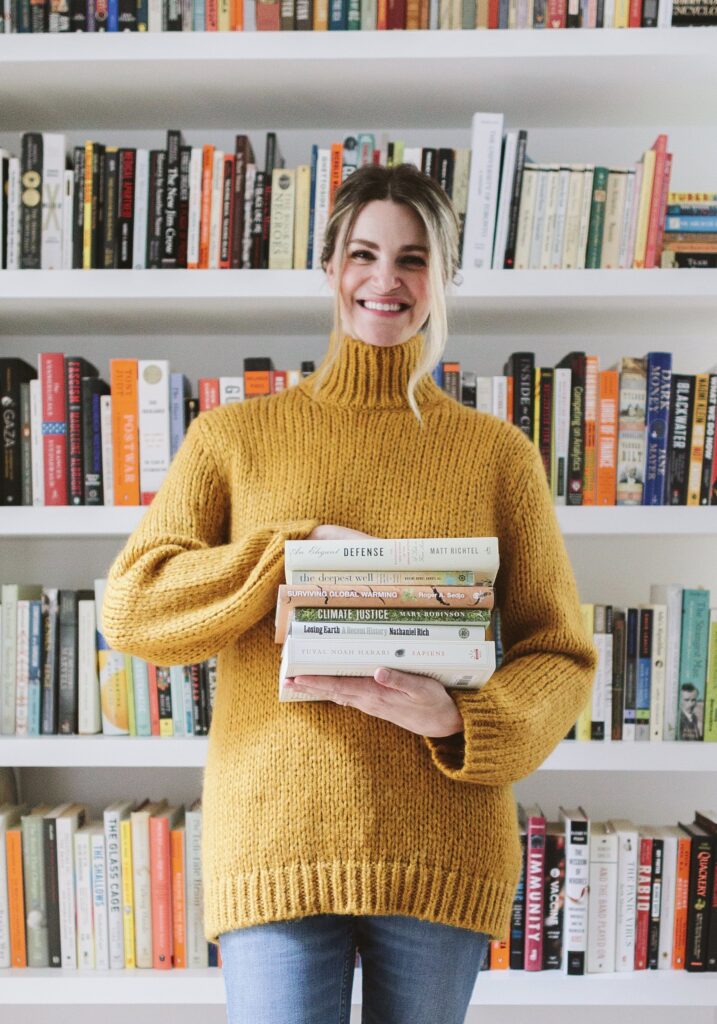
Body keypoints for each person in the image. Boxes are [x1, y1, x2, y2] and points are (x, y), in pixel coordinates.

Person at [101, 163, 597, 1024]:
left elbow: (557, 653)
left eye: (412, 258)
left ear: (441, 279)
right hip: (274, 836)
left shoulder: (495, 454)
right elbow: (135, 607)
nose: (385, 279)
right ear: (329, 267)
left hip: (441, 842)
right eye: (363, 253)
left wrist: (459, 721)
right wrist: (282, 560)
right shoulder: (233, 439)